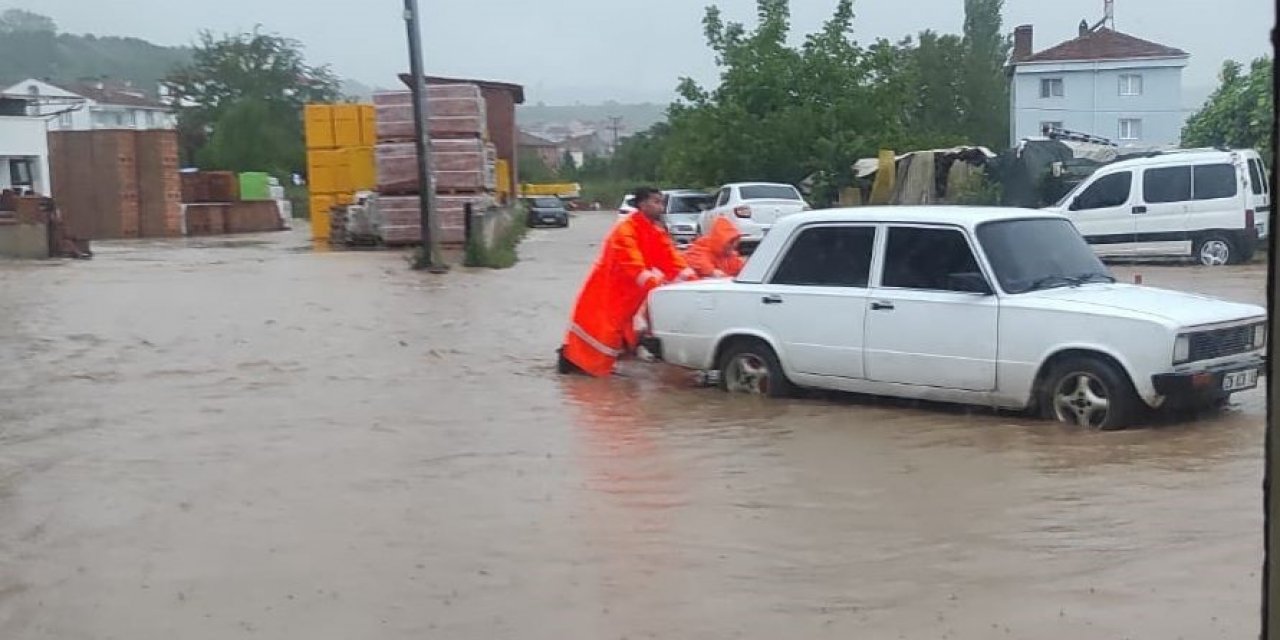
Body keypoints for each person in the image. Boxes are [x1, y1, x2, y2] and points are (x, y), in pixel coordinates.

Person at [558, 187, 696, 377]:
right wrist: (658, 283)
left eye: (661, 202)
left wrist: (693, 282)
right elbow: (633, 264)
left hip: (627, 299)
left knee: (617, 340)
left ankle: (601, 372)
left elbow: (670, 258)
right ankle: (583, 368)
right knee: (600, 335)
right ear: (642, 204)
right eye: (656, 202)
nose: (661, 207)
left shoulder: (653, 231)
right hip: (606, 293)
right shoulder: (626, 230)